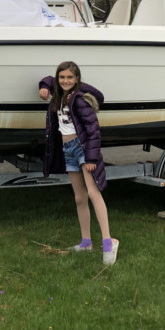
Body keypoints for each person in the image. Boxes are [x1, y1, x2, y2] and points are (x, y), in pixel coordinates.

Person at [39, 61, 118, 265]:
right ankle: (86, 242)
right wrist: (45, 86)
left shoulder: (80, 100)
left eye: (70, 78)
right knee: (79, 198)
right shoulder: (60, 96)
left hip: (82, 149)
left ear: (77, 80)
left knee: (93, 193)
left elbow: (93, 130)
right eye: (62, 77)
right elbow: (48, 79)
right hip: (68, 151)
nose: (65, 81)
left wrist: (91, 158)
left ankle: (109, 241)